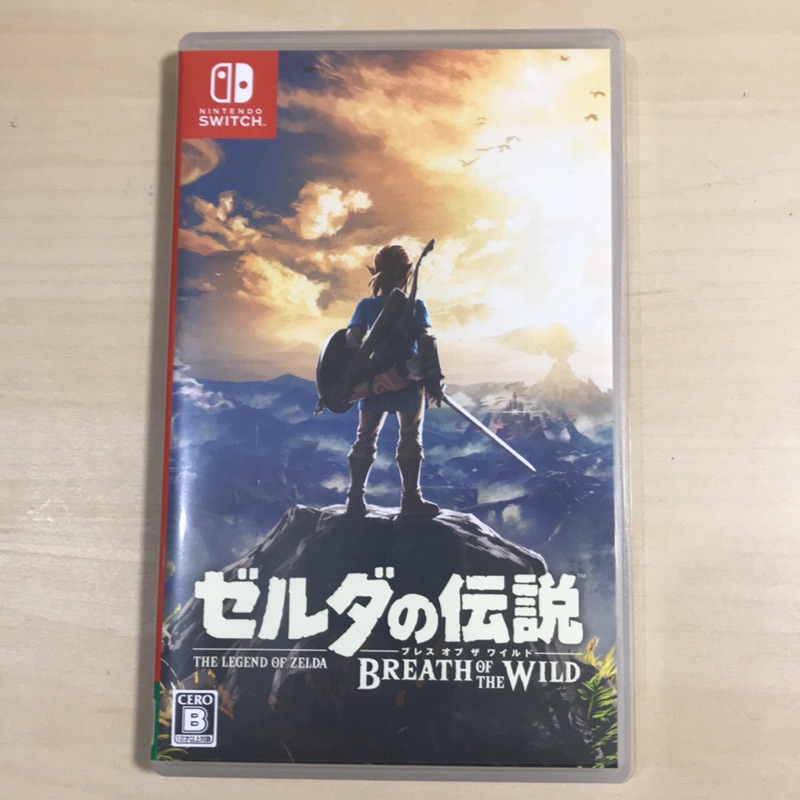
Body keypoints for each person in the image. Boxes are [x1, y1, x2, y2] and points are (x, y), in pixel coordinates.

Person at [344, 244, 443, 516]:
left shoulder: (366, 305)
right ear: (407, 273)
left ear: (375, 272)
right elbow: (426, 340)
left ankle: (355, 500)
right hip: (408, 379)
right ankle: (411, 500)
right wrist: (434, 379)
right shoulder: (416, 305)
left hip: (374, 381)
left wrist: (354, 372)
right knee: (410, 436)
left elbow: (352, 340)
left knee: (364, 438)